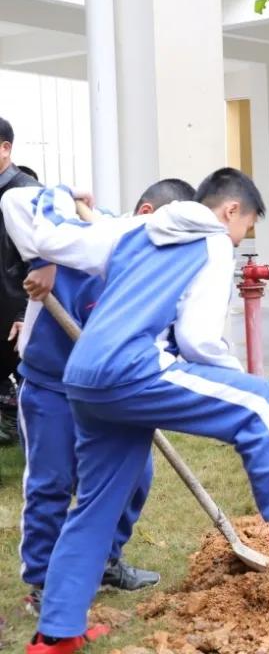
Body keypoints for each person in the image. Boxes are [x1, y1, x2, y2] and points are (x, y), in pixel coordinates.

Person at [22, 169, 269, 653]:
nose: (240, 240)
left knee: (95, 508)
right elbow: (199, 339)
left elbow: (49, 237)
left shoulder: (132, 229)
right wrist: (234, 377)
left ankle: (55, 633)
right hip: (130, 367)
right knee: (258, 401)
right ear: (230, 211)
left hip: (84, 375)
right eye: (245, 228)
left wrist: (62, 194)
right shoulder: (214, 243)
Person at [1, 179, 196, 614]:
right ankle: (43, 581)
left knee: (135, 476)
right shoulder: (87, 231)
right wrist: (42, 256)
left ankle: (105, 560)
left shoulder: (158, 267)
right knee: (51, 483)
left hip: (112, 389)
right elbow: (14, 198)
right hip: (53, 384)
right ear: (147, 214)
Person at [0, 118, 42, 447]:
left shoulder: (26, 192)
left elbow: (41, 259)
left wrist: (24, 313)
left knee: (36, 395)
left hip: (19, 313)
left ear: (5, 148)